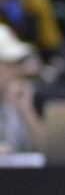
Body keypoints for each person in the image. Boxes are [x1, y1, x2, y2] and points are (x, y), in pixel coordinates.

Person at [0, 25, 44, 155]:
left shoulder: (15, 97)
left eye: (17, 62)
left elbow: (42, 149)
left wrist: (26, 109)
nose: (15, 69)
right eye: (8, 62)